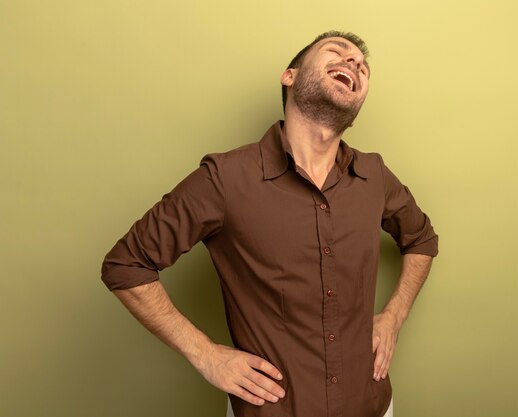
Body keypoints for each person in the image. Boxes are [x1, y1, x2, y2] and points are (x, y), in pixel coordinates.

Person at [101, 30, 438, 417]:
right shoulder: (224, 179)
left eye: (363, 67)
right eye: (337, 52)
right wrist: (207, 355)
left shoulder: (375, 175)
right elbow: (126, 265)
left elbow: (422, 239)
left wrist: (394, 315)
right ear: (289, 76)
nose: (354, 64)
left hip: (373, 407)